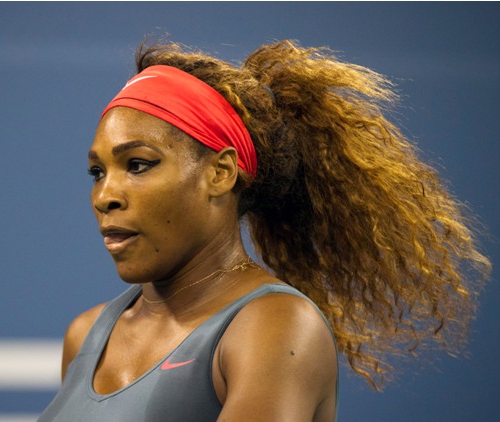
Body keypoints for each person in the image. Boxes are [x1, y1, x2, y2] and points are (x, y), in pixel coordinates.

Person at [38, 40, 491, 422]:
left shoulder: (276, 328)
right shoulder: (86, 335)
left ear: (220, 173)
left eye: (138, 164)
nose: (105, 195)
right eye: (97, 172)